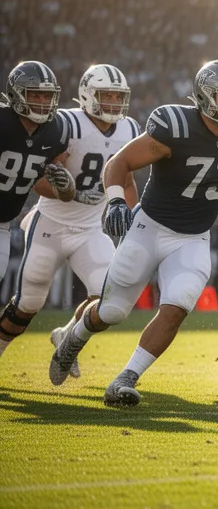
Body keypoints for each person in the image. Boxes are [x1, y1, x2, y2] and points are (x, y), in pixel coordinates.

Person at [48, 59, 218, 407]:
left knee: (178, 306)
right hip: (149, 227)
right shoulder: (175, 126)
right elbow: (118, 163)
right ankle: (74, 337)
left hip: (194, 236)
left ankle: (125, 379)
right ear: (206, 96)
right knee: (113, 311)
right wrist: (117, 201)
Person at [15, 65, 142, 379]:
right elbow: (37, 180)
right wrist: (70, 194)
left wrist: (135, 216)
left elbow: (126, 181)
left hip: (91, 228)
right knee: (28, 303)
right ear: (88, 94)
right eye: (106, 94)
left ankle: (67, 336)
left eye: (117, 95)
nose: (113, 101)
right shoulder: (67, 123)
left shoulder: (129, 128)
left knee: (110, 301)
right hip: (52, 223)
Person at [0, 61, 76, 360]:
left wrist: (65, 187)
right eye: (35, 94)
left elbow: (45, 186)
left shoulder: (56, 130)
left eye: (47, 96)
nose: (42, 101)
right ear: (16, 93)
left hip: (3, 223)